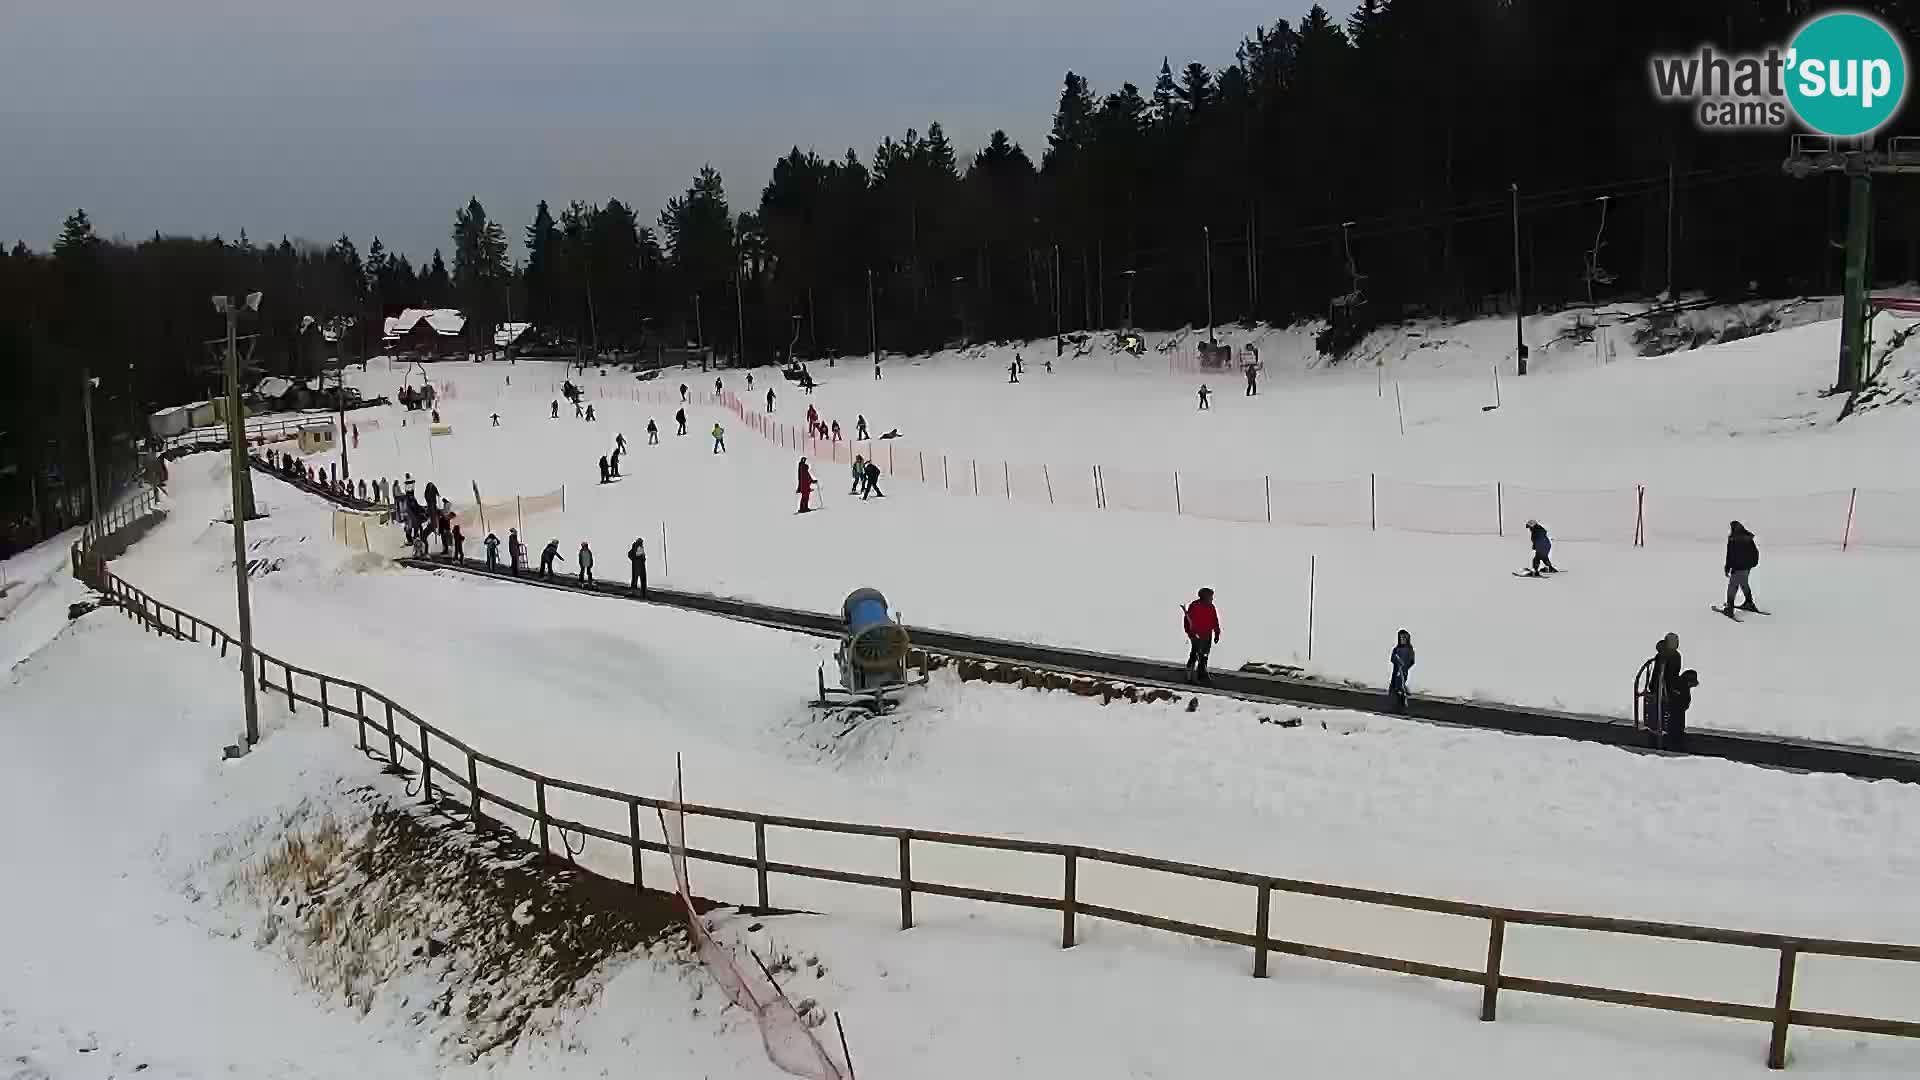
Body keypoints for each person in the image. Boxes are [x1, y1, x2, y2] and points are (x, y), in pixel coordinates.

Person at [1182, 588, 1221, 685]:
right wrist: (1190, 634)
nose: (1212, 598)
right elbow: (1187, 621)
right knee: (1195, 654)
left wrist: (1216, 633)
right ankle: (1189, 676)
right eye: (1210, 596)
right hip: (1196, 636)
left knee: (1204, 656)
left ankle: (1202, 676)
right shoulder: (1195, 606)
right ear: (1204, 597)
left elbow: (1215, 621)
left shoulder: (1211, 607)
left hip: (1207, 635)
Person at [1723, 521, 1760, 615]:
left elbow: (1730, 555)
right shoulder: (1748, 538)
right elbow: (1755, 552)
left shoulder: (1733, 539)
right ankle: (1749, 603)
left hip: (1738, 568)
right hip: (1747, 567)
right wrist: (1752, 564)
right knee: (1744, 583)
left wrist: (1728, 567)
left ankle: (1729, 608)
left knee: (1732, 586)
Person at [1666, 669, 1698, 752]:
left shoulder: (1681, 687)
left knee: (1677, 723)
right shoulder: (1681, 688)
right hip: (1676, 713)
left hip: (1677, 712)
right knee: (1676, 724)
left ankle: (1676, 741)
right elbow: (1682, 703)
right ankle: (1675, 744)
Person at [1388, 630, 1415, 714]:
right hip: (1396, 670)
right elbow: (1392, 658)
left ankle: (1402, 704)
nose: (1403, 640)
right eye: (1401, 638)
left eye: (1404, 638)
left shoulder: (1409, 649)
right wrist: (1397, 662)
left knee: (1401, 686)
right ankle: (1393, 705)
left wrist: (1405, 666)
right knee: (1394, 686)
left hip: (1403, 671)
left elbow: (1411, 660)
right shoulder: (1396, 649)